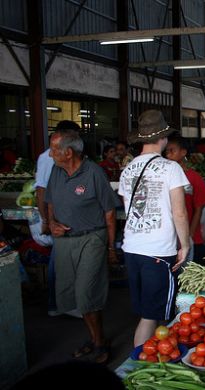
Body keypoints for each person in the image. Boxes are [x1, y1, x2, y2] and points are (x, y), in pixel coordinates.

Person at [118, 110, 191, 347]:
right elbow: (179, 212)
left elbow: (128, 207)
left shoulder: (127, 170)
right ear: (164, 138)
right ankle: (136, 369)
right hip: (158, 251)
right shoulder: (171, 168)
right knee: (150, 316)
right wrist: (185, 243)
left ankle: (157, 357)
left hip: (132, 248)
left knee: (150, 311)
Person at [46, 129, 118, 364]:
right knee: (72, 295)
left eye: (54, 149)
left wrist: (110, 248)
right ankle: (96, 338)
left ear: (69, 152)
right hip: (64, 242)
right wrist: (51, 223)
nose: (50, 154)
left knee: (86, 292)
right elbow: (49, 200)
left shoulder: (94, 173)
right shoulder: (57, 171)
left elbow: (109, 213)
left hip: (91, 238)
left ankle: (99, 343)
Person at [35, 120, 82, 318]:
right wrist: (47, 220)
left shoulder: (65, 156)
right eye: (74, 135)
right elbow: (42, 190)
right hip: (56, 217)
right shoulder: (48, 157)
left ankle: (65, 302)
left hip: (64, 215)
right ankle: (57, 304)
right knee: (59, 260)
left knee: (66, 260)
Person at [165, 136, 205, 262]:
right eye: (167, 151)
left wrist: (189, 235)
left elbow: (199, 210)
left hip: (192, 238)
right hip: (169, 238)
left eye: (172, 150)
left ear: (183, 152)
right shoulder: (164, 177)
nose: (168, 154)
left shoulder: (194, 178)